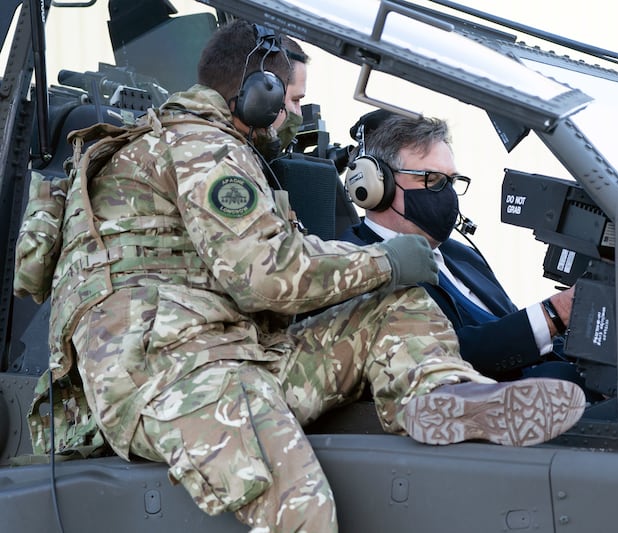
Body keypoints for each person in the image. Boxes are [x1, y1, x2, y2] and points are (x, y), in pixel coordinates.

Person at [21, 20, 585, 533]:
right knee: (302, 510)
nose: (292, 114)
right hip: (168, 376)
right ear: (258, 90)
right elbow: (263, 278)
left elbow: (288, 250)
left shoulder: (211, 148)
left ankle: (442, 398)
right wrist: (385, 260)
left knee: (395, 308)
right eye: (291, 99)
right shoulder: (200, 147)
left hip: (233, 355)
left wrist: (382, 274)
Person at [339, 110, 583, 384]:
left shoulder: (462, 256)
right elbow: (443, 354)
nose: (446, 195)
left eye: (451, 181)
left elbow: (512, 326)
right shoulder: (357, 264)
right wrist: (555, 313)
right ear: (376, 185)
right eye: (431, 180)